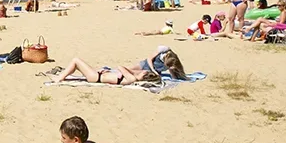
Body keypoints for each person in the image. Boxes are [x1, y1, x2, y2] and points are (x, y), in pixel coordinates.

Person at [52, 46, 186, 85]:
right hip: (99, 75)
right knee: (77, 63)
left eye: (143, 73)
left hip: (96, 77)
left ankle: (60, 78)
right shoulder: (132, 79)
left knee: (76, 60)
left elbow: (121, 67)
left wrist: (135, 73)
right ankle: (61, 76)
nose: (142, 71)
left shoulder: (132, 79)